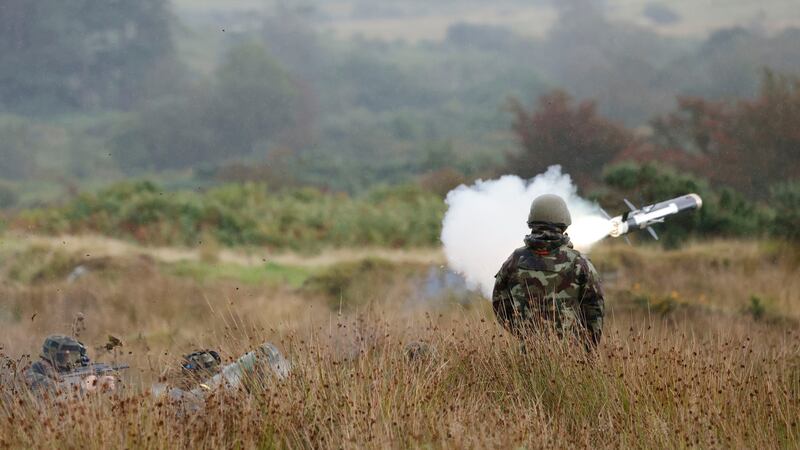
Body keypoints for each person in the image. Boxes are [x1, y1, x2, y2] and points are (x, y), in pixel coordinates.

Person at [492, 194, 605, 350]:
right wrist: (588, 349)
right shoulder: (579, 262)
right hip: (572, 356)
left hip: (528, 355)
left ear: (532, 222)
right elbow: (595, 309)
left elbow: (500, 304)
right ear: (564, 223)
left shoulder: (516, 259)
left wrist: (524, 334)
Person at [25, 335, 116, 394]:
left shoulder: (60, 373)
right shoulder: (31, 375)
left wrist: (101, 386)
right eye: (65, 357)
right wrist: (85, 386)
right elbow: (56, 391)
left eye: (72, 357)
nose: (70, 362)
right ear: (54, 356)